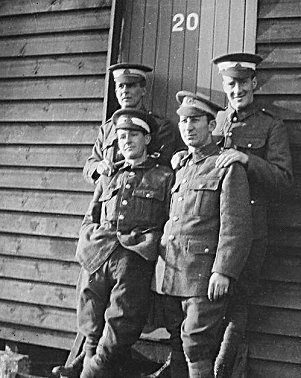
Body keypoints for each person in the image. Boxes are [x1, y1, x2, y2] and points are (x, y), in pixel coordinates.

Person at [152, 91, 252, 378]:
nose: (188, 127)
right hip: (171, 273)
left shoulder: (226, 167)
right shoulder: (182, 166)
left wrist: (224, 271)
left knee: (196, 345)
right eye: (183, 121)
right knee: (177, 340)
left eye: (195, 120)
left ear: (211, 125)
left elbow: (236, 226)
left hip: (202, 276)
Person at [210, 52, 293, 377]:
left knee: (237, 302)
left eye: (243, 82)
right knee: (200, 298)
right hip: (211, 227)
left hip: (250, 229)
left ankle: (221, 367)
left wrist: (246, 160)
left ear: (254, 82)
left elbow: (284, 181)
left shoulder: (271, 126)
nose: (237, 90)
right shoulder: (215, 121)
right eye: (231, 84)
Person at [74, 109, 174, 377]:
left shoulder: (164, 176)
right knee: (89, 307)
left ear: (147, 138)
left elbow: (169, 220)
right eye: (120, 136)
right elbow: (91, 214)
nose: (126, 141)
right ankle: (88, 359)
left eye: (133, 135)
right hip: (100, 250)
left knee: (122, 318)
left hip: (133, 253)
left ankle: (95, 369)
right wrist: (87, 242)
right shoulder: (109, 175)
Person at [83, 63, 181, 185]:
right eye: (120, 86)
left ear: (143, 90)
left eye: (131, 86)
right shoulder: (107, 129)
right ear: (116, 91)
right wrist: (99, 167)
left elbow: (163, 164)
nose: (125, 91)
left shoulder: (160, 126)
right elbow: (90, 165)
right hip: (109, 195)